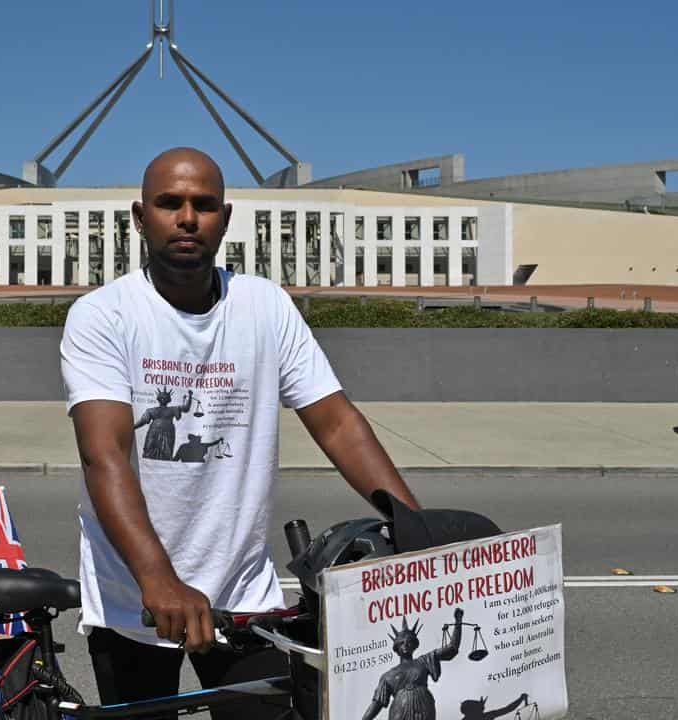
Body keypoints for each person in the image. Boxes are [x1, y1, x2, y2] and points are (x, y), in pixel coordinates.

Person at [60, 147, 420, 717]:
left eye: (203, 205)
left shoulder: (264, 307)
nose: (185, 218)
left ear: (224, 220)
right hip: (135, 597)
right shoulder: (104, 315)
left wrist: (414, 525)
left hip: (243, 593)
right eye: (168, 203)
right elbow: (104, 454)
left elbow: (337, 423)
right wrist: (159, 579)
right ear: (139, 216)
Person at [361, 611, 466, 720]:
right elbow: (376, 704)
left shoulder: (424, 661)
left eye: (409, 642)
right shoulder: (387, 676)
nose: (405, 645)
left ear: (414, 645)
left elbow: (452, 649)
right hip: (399, 713)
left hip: (424, 710)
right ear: (396, 648)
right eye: (401, 643)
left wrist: (458, 622)